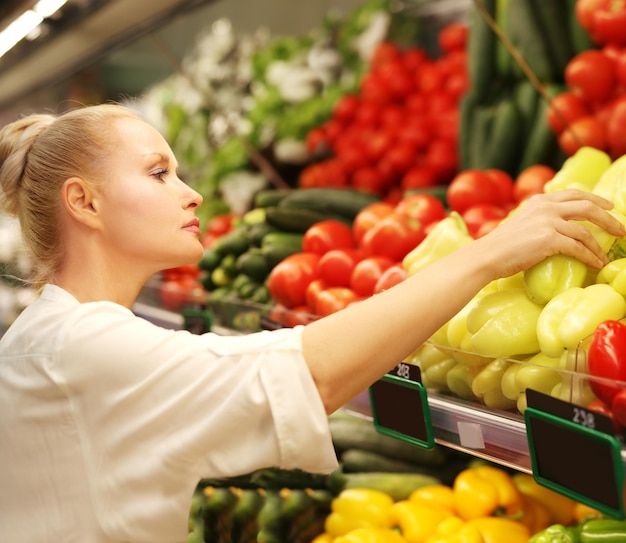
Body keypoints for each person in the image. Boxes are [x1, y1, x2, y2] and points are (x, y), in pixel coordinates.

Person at [0, 103, 623, 543]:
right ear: (83, 202)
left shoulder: (58, 341)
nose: (190, 193)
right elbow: (311, 370)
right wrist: (490, 254)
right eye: (158, 173)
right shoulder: (82, 352)